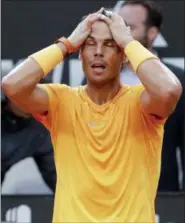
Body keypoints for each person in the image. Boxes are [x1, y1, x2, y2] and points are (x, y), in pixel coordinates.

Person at [2, 7, 182, 223]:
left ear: (123, 55)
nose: (98, 52)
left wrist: (128, 42)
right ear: (80, 52)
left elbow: (169, 90)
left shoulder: (142, 103)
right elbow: (12, 85)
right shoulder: (61, 101)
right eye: (90, 43)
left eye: (109, 44)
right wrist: (66, 43)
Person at [118, 0, 184, 191]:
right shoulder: (100, 78)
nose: (121, 35)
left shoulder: (176, 81)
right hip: (108, 195)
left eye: (129, 28)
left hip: (159, 193)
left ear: (152, 33)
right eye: (119, 26)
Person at [1, 80, 56, 193]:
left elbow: (56, 179)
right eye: (25, 95)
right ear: (9, 94)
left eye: (36, 98)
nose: (30, 103)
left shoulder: (39, 132)